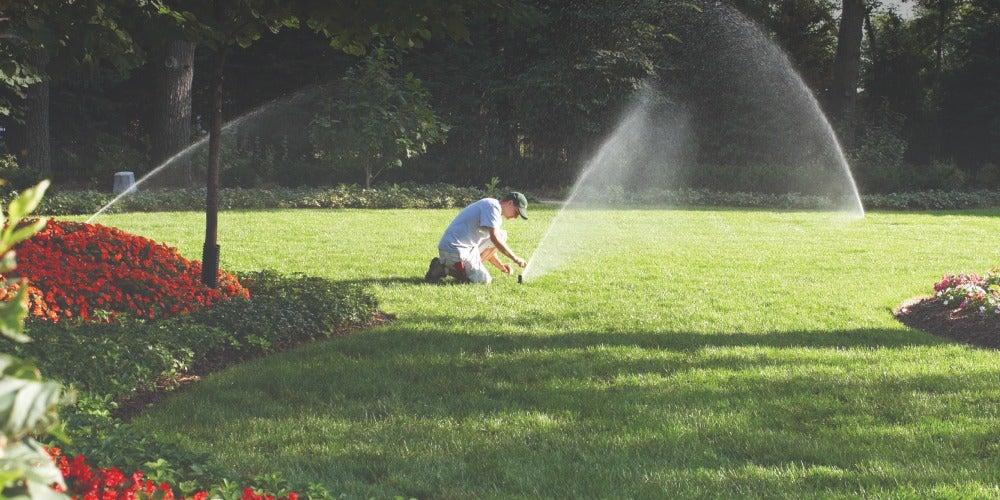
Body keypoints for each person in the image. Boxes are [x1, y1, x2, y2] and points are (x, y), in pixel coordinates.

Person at [425, 192, 529, 284]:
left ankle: (465, 270)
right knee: (483, 280)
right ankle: (443, 269)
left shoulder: (494, 210)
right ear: (510, 203)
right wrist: (515, 259)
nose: (516, 217)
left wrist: (501, 266)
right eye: (516, 212)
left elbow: (490, 245)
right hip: (455, 250)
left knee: (502, 235)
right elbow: (495, 239)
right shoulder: (492, 207)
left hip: (465, 248)